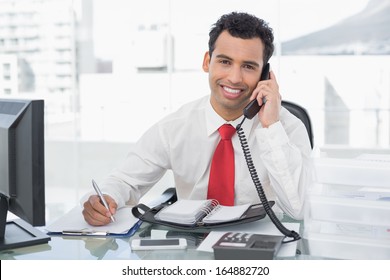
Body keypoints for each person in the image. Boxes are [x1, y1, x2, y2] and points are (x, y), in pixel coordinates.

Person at [82, 12, 312, 226]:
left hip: (262, 246)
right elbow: (125, 180)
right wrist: (104, 199)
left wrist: (270, 127)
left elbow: (298, 209)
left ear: (265, 74)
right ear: (206, 62)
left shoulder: (287, 128)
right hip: (192, 245)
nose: (234, 77)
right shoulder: (175, 127)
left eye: (249, 66)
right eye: (224, 61)